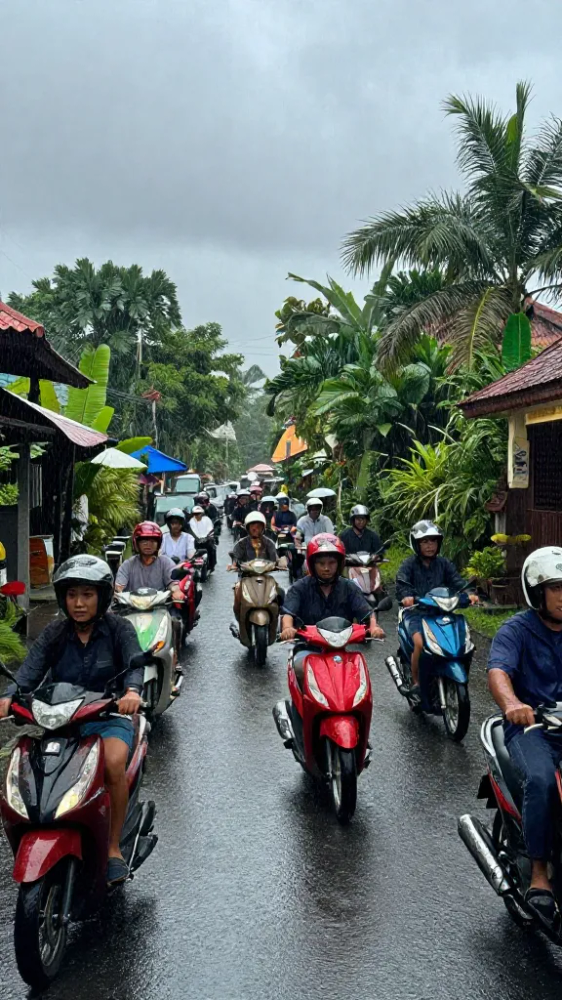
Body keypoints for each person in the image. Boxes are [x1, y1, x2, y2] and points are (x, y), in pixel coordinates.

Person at [0, 556, 143, 885]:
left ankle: (111, 847)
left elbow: (134, 664)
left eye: (88, 595)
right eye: (72, 595)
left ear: (102, 597)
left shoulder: (119, 628)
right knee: (29, 765)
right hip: (62, 720)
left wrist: (131, 692)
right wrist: (10, 696)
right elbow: (30, 671)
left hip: (108, 717)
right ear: (63, 598)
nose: (79, 603)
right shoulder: (55, 632)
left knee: (112, 764)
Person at [488, 547, 562, 931]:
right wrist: (514, 702)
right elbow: (499, 670)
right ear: (536, 592)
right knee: (541, 780)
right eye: (556, 588)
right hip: (531, 729)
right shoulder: (516, 630)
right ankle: (538, 871)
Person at [280, 534, 384, 681]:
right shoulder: (300, 587)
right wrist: (287, 628)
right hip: (308, 648)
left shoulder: (349, 587)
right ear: (312, 564)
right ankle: (300, 705)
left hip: (339, 649)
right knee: (300, 670)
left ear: (339, 563)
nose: (326, 568)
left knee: (359, 676)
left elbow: (366, 612)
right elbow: (288, 614)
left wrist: (374, 627)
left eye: (331, 563)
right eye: (321, 563)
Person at [395, 521, 478, 697]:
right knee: (420, 642)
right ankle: (417, 682)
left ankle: (453, 673)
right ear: (416, 544)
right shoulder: (409, 564)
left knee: (464, 640)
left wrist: (469, 593)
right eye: (425, 541)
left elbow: (457, 581)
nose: (430, 545)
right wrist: (407, 596)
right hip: (416, 613)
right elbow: (402, 583)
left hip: (441, 612)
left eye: (433, 541)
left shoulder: (444, 564)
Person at [228, 511, 282, 622]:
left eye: (258, 526)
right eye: (252, 526)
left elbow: (275, 558)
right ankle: (239, 620)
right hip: (245, 577)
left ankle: (280, 620)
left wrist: (279, 563)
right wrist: (234, 565)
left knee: (280, 592)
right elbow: (235, 557)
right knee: (238, 593)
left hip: (266, 577)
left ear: (263, 528)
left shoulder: (269, 543)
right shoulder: (241, 544)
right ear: (247, 528)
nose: (255, 528)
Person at [115, 522, 182, 599]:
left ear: (158, 544)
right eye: (144, 541)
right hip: (132, 606)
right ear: (136, 543)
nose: (148, 544)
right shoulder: (128, 564)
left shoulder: (165, 562)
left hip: (159, 606)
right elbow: (119, 587)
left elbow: (174, 583)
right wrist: (117, 592)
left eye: (152, 541)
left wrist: (176, 590)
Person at [187, 505, 217, 572]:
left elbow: (210, 529)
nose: (197, 515)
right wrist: (197, 539)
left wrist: (207, 537)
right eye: (195, 514)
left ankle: (211, 566)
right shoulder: (191, 521)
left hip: (207, 540)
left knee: (212, 549)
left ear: (202, 513)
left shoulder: (207, 519)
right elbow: (192, 531)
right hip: (196, 541)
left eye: (199, 513)